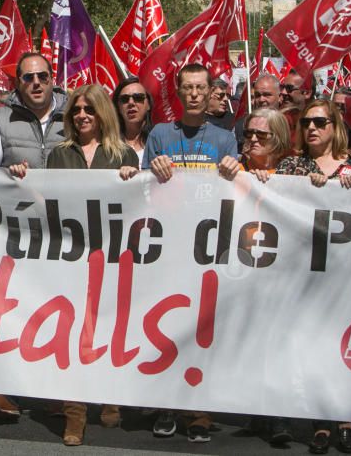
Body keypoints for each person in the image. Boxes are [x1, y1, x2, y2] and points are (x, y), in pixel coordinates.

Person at [129, 63, 239, 443]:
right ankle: (166, 405)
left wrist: (233, 170)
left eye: (200, 88)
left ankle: (200, 410)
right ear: (177, 91)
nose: (193, 94)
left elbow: (234, 194)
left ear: (211, 93)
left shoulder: (224, 139)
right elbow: (144, 191)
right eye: (187, 88)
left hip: (208, 249)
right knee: (168, 328)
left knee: (204, 329)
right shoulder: (160, 134)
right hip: (168, 247)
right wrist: (151, 168)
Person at [0, 52, 66, 423]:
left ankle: (61, 393)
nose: (36, 83)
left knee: (62, 311)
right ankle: (6, 392)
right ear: (17, 83)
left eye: (42, 75)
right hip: (19, 235)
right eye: (28, 78)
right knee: (15, 311)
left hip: (68, 232)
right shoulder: (0, 119)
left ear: (52, 77)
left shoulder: (75, 112)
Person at [275, 100, 351, 455]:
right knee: (312, 344)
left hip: (346, 272)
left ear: (335, 126)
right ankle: (319, 422)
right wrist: (307, 185)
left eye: (320, 121)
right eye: (306, 122)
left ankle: (344, 419)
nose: (312, 128)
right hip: (303, 271)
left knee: (341, 343)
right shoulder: (292, 164)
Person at [44, 85, 138, 446]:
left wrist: (134, 179)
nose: (82, 115)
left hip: (112, 255)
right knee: (73, 335)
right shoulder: (59, 155)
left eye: (89, 109)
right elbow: (46, 200)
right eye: (76, 110)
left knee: (109, 329)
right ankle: (75, 414)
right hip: (71, 255)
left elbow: (138, 204)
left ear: (102, 114)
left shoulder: (124, 153)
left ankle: (110, 396)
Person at [239, 108, 292, 183]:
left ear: (278, 137)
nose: (253, 139)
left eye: (261, 134)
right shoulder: (235, 171)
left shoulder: (291, 175)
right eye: (249, 133)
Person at [112, 77, 151, 166]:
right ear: (118, 107)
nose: (131, 103)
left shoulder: (160, 141)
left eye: (138, 97)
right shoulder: (108, 143)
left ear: (148, 104)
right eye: (124, 99)